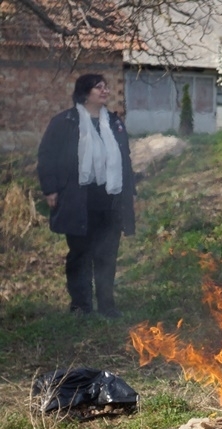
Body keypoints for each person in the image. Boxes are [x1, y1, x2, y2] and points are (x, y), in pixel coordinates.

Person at [37, 74, 136, 318]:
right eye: (98, 87)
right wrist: (50, 189)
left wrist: (130, 192)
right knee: (80, 254)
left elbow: (125, 159)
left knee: (107, 254)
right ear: (85, 93)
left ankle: (107, 306)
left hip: (109, 199)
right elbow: (47, 155)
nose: (105, 91)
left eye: (106, 87)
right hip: (77, 199)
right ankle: (81, 306)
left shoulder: (114, 122)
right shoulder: (66, 121)